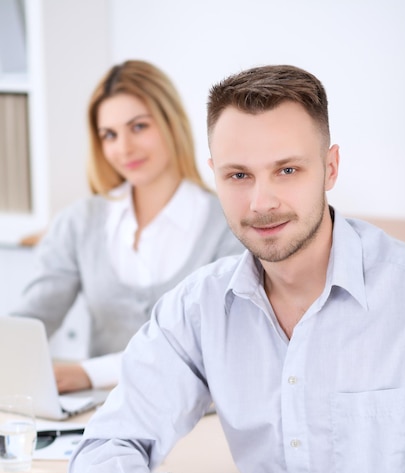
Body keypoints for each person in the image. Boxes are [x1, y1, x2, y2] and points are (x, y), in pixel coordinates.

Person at [68, 64, 405, 473]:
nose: (262, 201)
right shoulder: (199, 306)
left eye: (286, 169)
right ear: (214, 175)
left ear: (329, 167)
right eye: (238, 175)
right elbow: (100, 453)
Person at [11, 60, 242, 393]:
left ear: (170, 122)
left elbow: (212, 342)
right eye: (109, 135)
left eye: (138, 127)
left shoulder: (227, 222)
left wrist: (90, 373)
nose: (123, 148)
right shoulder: (79, 222)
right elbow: (31, 319)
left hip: (199, 414)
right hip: (99, 414)